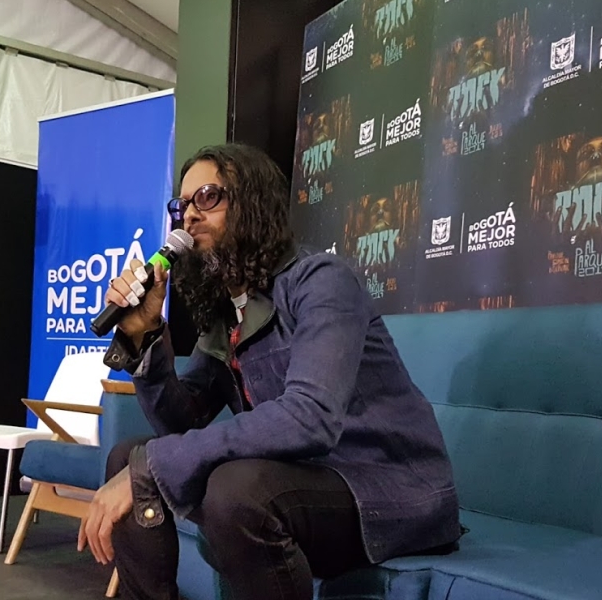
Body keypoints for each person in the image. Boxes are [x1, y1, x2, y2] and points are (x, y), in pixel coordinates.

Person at [83, 144, 460, 600]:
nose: (189, 217)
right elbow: (180, 423)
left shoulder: (322, 280)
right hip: (301, 486)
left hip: (388, 488)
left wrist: (157, 464)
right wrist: (144, 335)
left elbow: (310, 416)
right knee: (129, 455)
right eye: (181, 206)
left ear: (252, 205)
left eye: (207, 197)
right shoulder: (228, 314)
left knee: (236, 489)